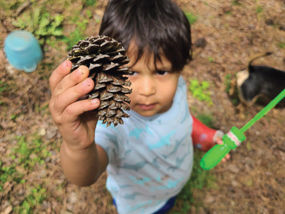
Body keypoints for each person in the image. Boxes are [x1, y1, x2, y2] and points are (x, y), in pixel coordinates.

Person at [49, 0, 229, 213]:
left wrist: (204, 136)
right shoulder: (113, 122)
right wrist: (78, 147)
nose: (147, 89)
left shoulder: (177, 87)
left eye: (161, 72)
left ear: (179, 68)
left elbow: (182, 116)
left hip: (173, 185)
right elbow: (86, 175)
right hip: (142, 205)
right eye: (131, 72)